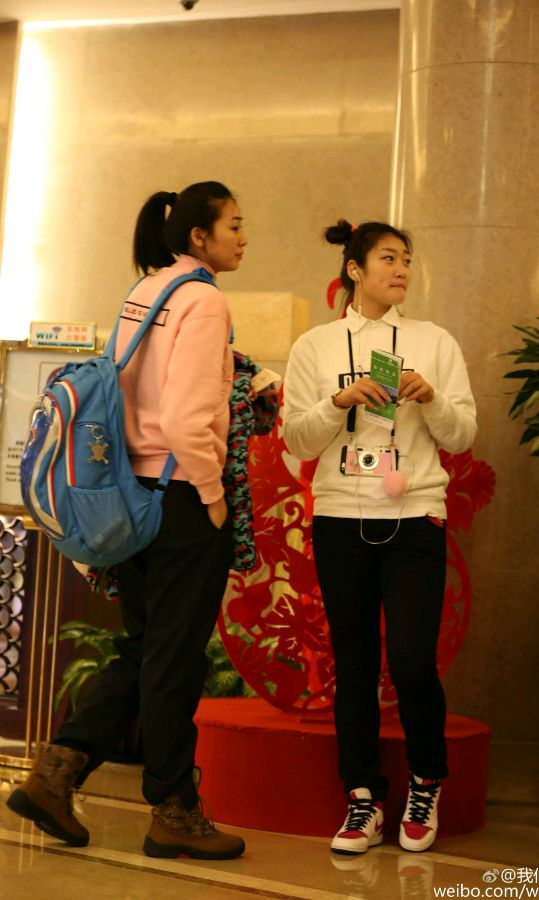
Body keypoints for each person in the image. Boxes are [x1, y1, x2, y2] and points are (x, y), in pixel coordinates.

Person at [8, 181, 248, 860]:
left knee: (145, 649)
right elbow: (183, 417)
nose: (243, 237)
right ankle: (174, 810)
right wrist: (212, 494)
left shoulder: (147, 290)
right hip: (181, 496)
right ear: (199, 236)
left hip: (129, 493)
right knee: (173, 659)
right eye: (233, 224)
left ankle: (55, 774)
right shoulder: (204, 300)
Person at [282, 219, 477, 854]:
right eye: (388, 259)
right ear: (355, 270)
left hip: (415, 513)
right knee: (355, 664)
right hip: (341, 515)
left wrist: (431, 399)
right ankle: (361, 798)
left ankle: (426, 781)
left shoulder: (434, 341)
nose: (401, 270)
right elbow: (296, 440)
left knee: (414, 660)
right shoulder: (315, 346)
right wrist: (338, 403)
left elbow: (462, 435)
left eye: (407, 260)